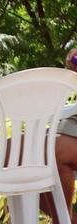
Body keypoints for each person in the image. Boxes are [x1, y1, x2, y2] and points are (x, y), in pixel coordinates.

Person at [41, 48, 77, 223]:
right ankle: (66, 219)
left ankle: (62, 220)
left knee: (56, 152)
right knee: (13, 153)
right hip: (69, 121)